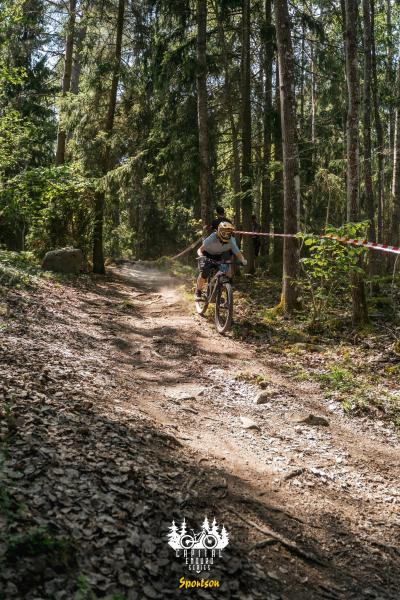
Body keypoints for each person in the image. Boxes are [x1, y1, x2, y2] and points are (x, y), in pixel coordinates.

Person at [195, 221, 247, 299]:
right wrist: (201, 256)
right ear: (219, 232)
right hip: (207, 254)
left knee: (226, 273)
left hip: (219, 255)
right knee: (204, 272)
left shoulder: (231, 240)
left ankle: (222, 295)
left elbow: (238, 253)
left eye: (229, 233)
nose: (226, 235)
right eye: (224, 233)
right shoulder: (213, 237)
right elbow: (199, 249)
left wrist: (243, 260)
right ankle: (198, 291)